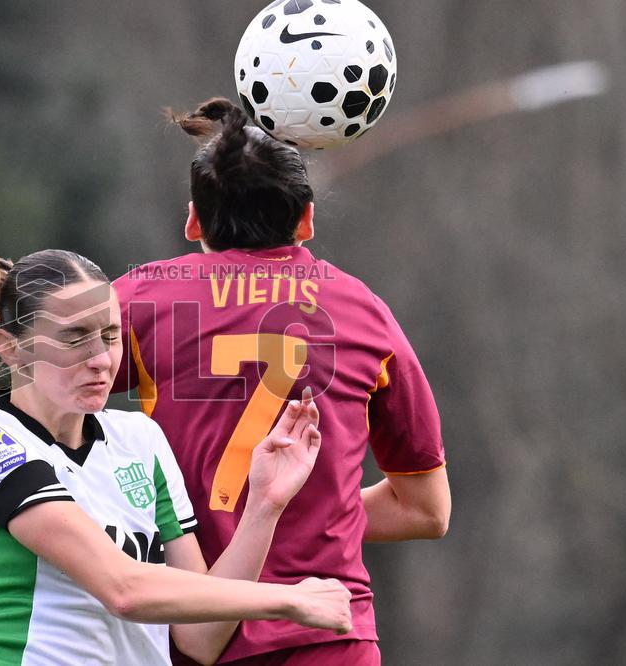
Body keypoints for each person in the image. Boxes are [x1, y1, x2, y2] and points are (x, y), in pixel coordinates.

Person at [0, 182, 353, 666]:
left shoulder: (140, 441)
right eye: (73, 338)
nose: (101, 360)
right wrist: (290, 599)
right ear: (10, 347)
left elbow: (201, 638)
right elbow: (123, 589)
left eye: (110, 335)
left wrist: (263, 505)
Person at [111, 98, 452, 665]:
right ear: (307, 219)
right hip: (327, 639)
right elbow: (426, 510)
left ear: (194, 218)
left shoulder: (140, 299)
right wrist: (316, 517)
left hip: (186, 635)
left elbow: (48, 406)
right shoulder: (363, 310)